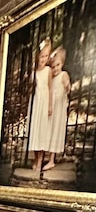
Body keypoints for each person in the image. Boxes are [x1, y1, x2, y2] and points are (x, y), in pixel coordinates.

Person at [43, 46, 71, 171]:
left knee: (55, 132)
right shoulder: (52, 78)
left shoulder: (63, 74)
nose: (55, 69)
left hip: (59, 109)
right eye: (53, 67)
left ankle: (51, 159)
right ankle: (47, 155)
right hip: (51, 109)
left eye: (58, 65)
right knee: (48, 130)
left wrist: (67, 86)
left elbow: (67, 85)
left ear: (62, 64)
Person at [28, 38, 53, 173]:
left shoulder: (48, 71)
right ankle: (35, 157)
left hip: (44, 102)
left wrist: (49, 105)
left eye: (46, 56)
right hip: (37, 102)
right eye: (42, 56)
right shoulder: (34, 73)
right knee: (36, 130)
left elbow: (49, 88)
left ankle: (40, 160)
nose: (44, 59)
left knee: (43, 129)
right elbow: (31, 89)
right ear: (38, 56)